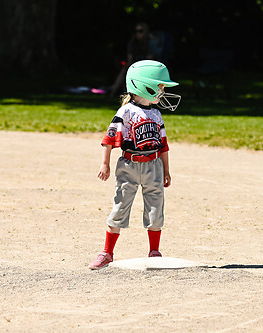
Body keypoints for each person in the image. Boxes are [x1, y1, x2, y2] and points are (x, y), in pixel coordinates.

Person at [89, 60, 181, 270]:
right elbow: (110, 139)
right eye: (160, 86)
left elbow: (164, 146)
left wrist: (166, 170)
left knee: (155, 207)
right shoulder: (126, 112)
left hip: (154, 165)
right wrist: (105, 164)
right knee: (120, 207)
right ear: (143, 85)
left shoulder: (157, 114)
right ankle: (107, 252)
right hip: (129, 165)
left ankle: (154, 251)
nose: (163, 91)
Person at [108, 23, 162, 97]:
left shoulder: (151, 43)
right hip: (134, 65)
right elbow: (130, 58)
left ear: (145, 32)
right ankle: (114, 91)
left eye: (140, 31)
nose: (137, 33)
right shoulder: (132, 43)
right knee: (125, 70)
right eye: (136, 31)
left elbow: (149, 60)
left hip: (147, 67)